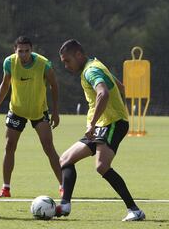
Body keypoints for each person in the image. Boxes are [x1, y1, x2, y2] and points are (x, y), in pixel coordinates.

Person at [56, 39, 145, 221]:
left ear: (79, 55)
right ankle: (65, 205)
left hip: (111, 122)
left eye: (67, 61)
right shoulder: (94, 64)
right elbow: (116, 85)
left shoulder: (91, 70)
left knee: (102, 166)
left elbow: (103, 93)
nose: (66, 65)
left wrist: (93, 122)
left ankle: (134, 210)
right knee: (65, 159)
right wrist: (120, 89)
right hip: (101, 125)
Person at [0, 36, 62, 198]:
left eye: (27, 51)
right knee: (9, 146)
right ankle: (5, 188)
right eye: (20, 51)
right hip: (17, 111)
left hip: (38, 111)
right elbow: (5, 84)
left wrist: (55, 111)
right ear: (15, 51)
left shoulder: (43, 64)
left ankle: (63, 186)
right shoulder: (9, 63)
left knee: (48, 147)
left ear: (31, 50)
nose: (24, 54)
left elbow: (54, 86)